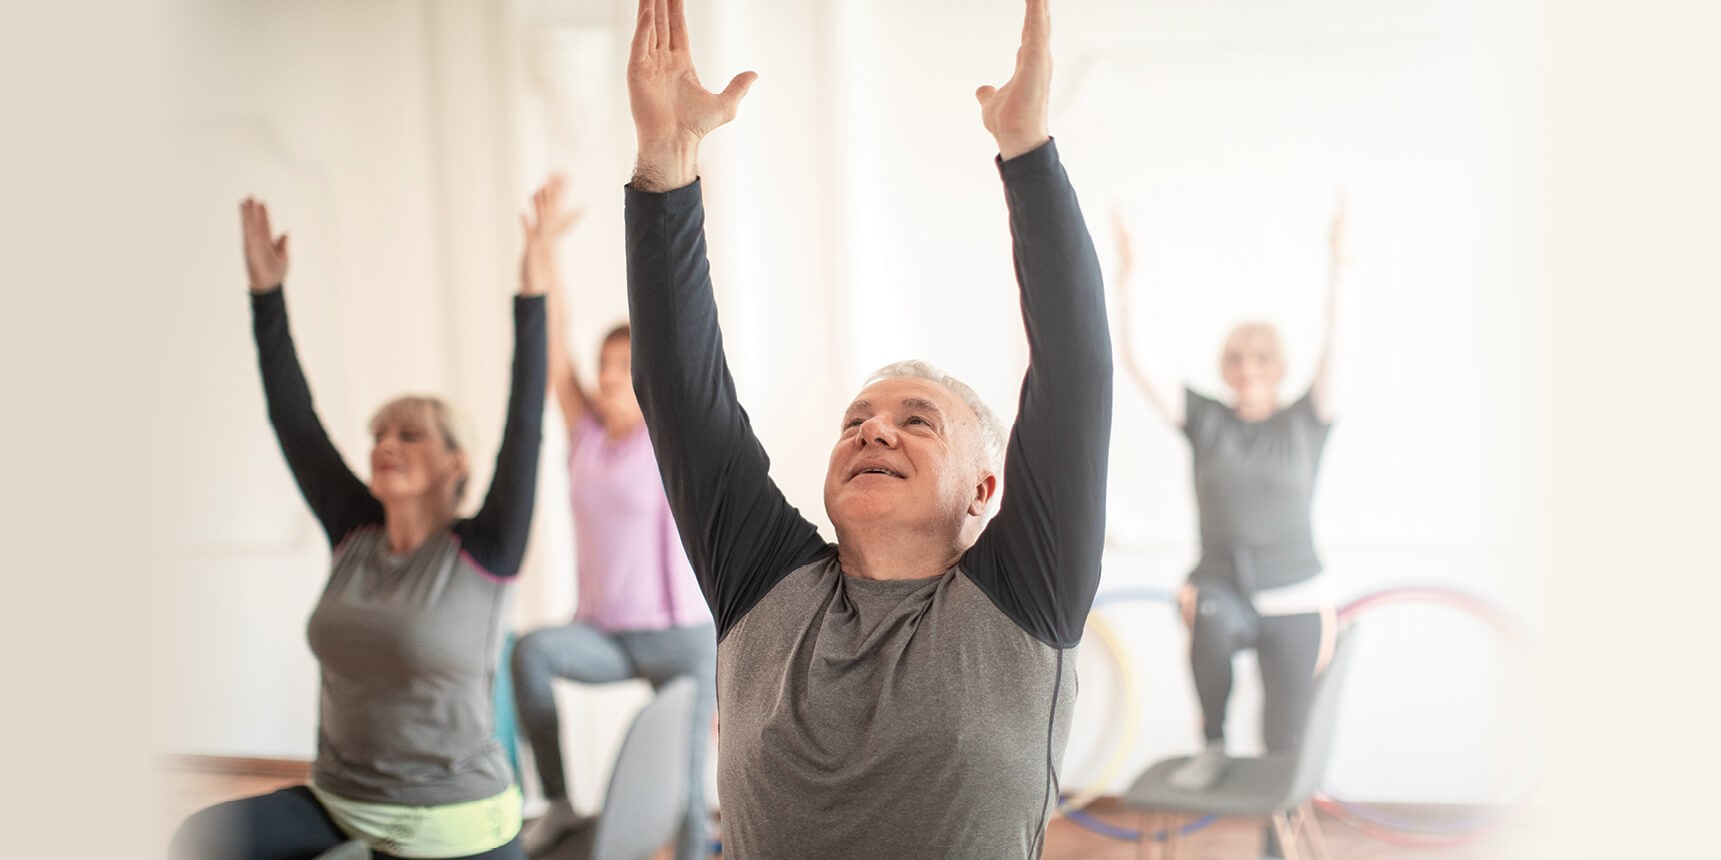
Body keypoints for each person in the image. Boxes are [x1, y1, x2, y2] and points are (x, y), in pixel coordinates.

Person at [620, 0, 1110, 856]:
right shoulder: (762, 582)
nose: (873, 431)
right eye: (857, 420)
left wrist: (1026, 151)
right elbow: (679, 395)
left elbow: (1074, 374)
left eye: (916, 421)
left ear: (984, 490)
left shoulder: (1025, 591)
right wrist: (666, 159)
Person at [169, 194, 548, 860]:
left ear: (455, 462)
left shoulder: (484, 548)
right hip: (341, 799)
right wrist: (267, 293)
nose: (385, 444)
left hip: (455, 819)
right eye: (378, 433)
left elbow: (524, 423)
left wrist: (532, 293)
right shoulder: (353, 532)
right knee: (200, 838)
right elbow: (294, 419)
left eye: (409, 434)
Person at [1112, 193, 1352, 859]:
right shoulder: (1207, 420)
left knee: (1283, 745)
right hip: (1221, 585)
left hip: (1295, 598)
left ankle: (1275, 848)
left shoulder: (1307, 420)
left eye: (1260, 361)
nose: (1248, 373)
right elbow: (1138, 363)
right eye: (1237, 361)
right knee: (1207, 613)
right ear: (1225, 370)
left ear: (1278, 369)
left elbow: (1338, 343)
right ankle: (1211, 744)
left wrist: (1340, 264)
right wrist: (1126, 280)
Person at [507, 178, 715, 860]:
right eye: (603, 367)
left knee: (686, 796)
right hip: (604, 633)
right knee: (532, 652)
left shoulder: (668, 432)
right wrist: (540, 251)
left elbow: (682, 341)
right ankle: (562, 802)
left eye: (623, 367)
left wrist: (677, 208)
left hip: (680, 638)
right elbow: (553, 340)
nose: (605, 379)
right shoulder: (587, 438)